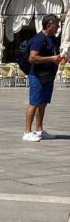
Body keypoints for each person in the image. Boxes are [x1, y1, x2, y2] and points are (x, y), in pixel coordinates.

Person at [23, 13, 66, 142]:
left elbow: (52, 55)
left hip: (48, 75)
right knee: (34, 103)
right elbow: (32, 58)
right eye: (56, 25)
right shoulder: (39, 39)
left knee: (43, 103)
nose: (58, 28)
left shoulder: (51, 38)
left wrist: (59, 59)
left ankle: (39, 130)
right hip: (37, 76)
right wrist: (51, 58)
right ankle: (27, 132)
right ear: (49, 25)